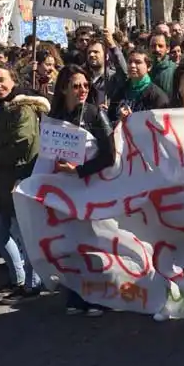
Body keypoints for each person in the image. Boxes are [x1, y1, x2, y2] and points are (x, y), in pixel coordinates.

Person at [0, 64, 49, 304]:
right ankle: (17, 277)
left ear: (13, 80)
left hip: (18, 180)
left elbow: (22, 144)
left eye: (1, 80)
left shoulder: (23, 109)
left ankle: (32, 285)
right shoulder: (4, 108)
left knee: (26, 235)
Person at [49, 64, 115, 317]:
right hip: (64, 189)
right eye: (76, 86)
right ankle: (76, 294)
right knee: (70, 242)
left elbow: (110, 155)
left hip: (91, 186)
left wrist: (79, 170)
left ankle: (98, 296)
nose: (82, 90)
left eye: (86, 85)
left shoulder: (95, 114)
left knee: (92, 242)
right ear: (64, 87)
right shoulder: (55, 115)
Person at [108, 49, 169, 124]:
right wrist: (119, 120)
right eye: (130, 62)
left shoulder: (157, 97)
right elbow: (110, 118)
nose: (132, 66)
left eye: (138, 62)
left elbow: (161, 126)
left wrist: (134, 119)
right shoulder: (120, 91)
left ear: (149, 67)